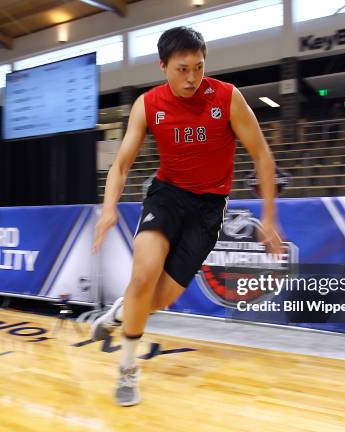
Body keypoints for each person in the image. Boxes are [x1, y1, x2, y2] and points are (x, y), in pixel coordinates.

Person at [91, 26, 282, 407]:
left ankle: (120, 311)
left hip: (208, 211)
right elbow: (122, 165)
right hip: (166, 198)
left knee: (156, 299)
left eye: (198, 67)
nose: (192, 78)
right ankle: (128, 369)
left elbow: (261, 154)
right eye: (182, 69)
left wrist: (271, 218)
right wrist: (109, 207)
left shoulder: (227, 98)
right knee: (143, 275)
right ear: (163, 66)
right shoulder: (147, 105)